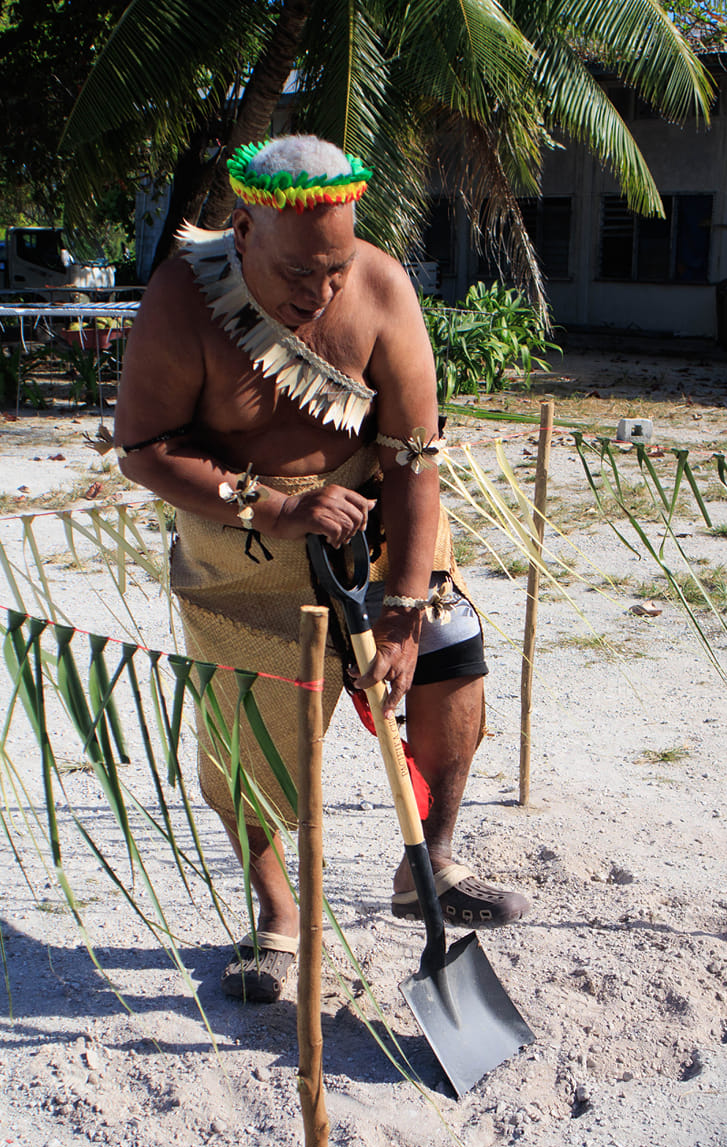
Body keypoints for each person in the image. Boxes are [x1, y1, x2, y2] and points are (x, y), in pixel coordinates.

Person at [109, 134, 529, 1004]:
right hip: (243, 544)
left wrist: (406, 609)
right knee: (251, 741)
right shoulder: (182, 300)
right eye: (301, 272)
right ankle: (274, 914)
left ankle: (430, 865)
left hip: (374, 522)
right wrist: (275, 505)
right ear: (243, 229)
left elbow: (416, 459)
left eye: (335, 269)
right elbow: (143, 450)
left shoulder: (380, 289)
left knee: (452, 656)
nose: (321, 290)